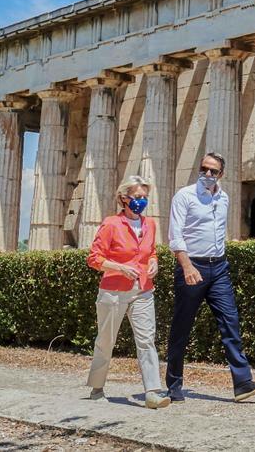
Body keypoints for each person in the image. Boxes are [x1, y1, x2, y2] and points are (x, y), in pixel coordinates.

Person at [164, 152, 255, 402]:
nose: (207, 174)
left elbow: (219, 231)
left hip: (219, 267)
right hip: (192, 266)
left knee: (230, 321)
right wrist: (187, 266)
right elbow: (175, 236)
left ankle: (242, 383)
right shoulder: (184, 196)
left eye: (213, 171)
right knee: (182, 327)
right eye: (204, 169)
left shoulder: (223, 198)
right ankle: (174, 385)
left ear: (221, 174)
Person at [86, 175, 170, 409]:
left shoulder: (150, 224)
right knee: (106, 341)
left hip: (143, 289)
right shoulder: (111, 224)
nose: (142, 201)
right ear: (124, 198)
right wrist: (120, 267)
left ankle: (152, 392)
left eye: (145, 197)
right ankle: (97, 388)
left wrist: (154, 262)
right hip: (113, 290)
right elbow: (94, 258)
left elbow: (151, 252)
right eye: (137, 196)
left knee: (146, 341)